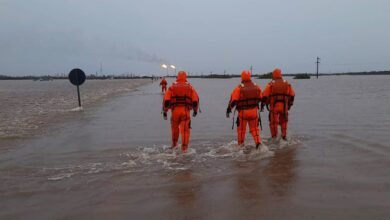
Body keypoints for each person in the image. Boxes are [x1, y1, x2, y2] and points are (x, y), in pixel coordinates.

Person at [162, 71, 199, 153]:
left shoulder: (172, 87)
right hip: (185, 112)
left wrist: (165, 111)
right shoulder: (190, 87)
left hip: (174, 111)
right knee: (185, 130)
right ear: (185, 77)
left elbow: (166, 100)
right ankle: (184, 149)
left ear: (177, 77)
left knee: (174, 129)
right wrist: (195, 111)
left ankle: (174, 145)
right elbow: (195, 100)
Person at [226, 70, 263, 149]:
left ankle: (240, 147)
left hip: (243, 112)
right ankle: (258, 143)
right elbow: (262, 98)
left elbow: (234, 101)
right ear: (249, 77)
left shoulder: (239, 88)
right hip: (254, 112)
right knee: (255, 129)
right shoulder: (257, 86)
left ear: (242, 77)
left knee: (241, 131)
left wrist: (228, 110)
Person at [262, 68, 295, 140]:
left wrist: (263, 104)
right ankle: (284, 136)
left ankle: (274, 137)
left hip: (274, 107)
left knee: (273, 123)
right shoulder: (287, 83)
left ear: (274, 75)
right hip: (284, 107)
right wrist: (289, 105)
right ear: (280, 74)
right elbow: (292, 95)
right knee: (284, 121)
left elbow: (264, 96)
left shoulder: (270, 84)